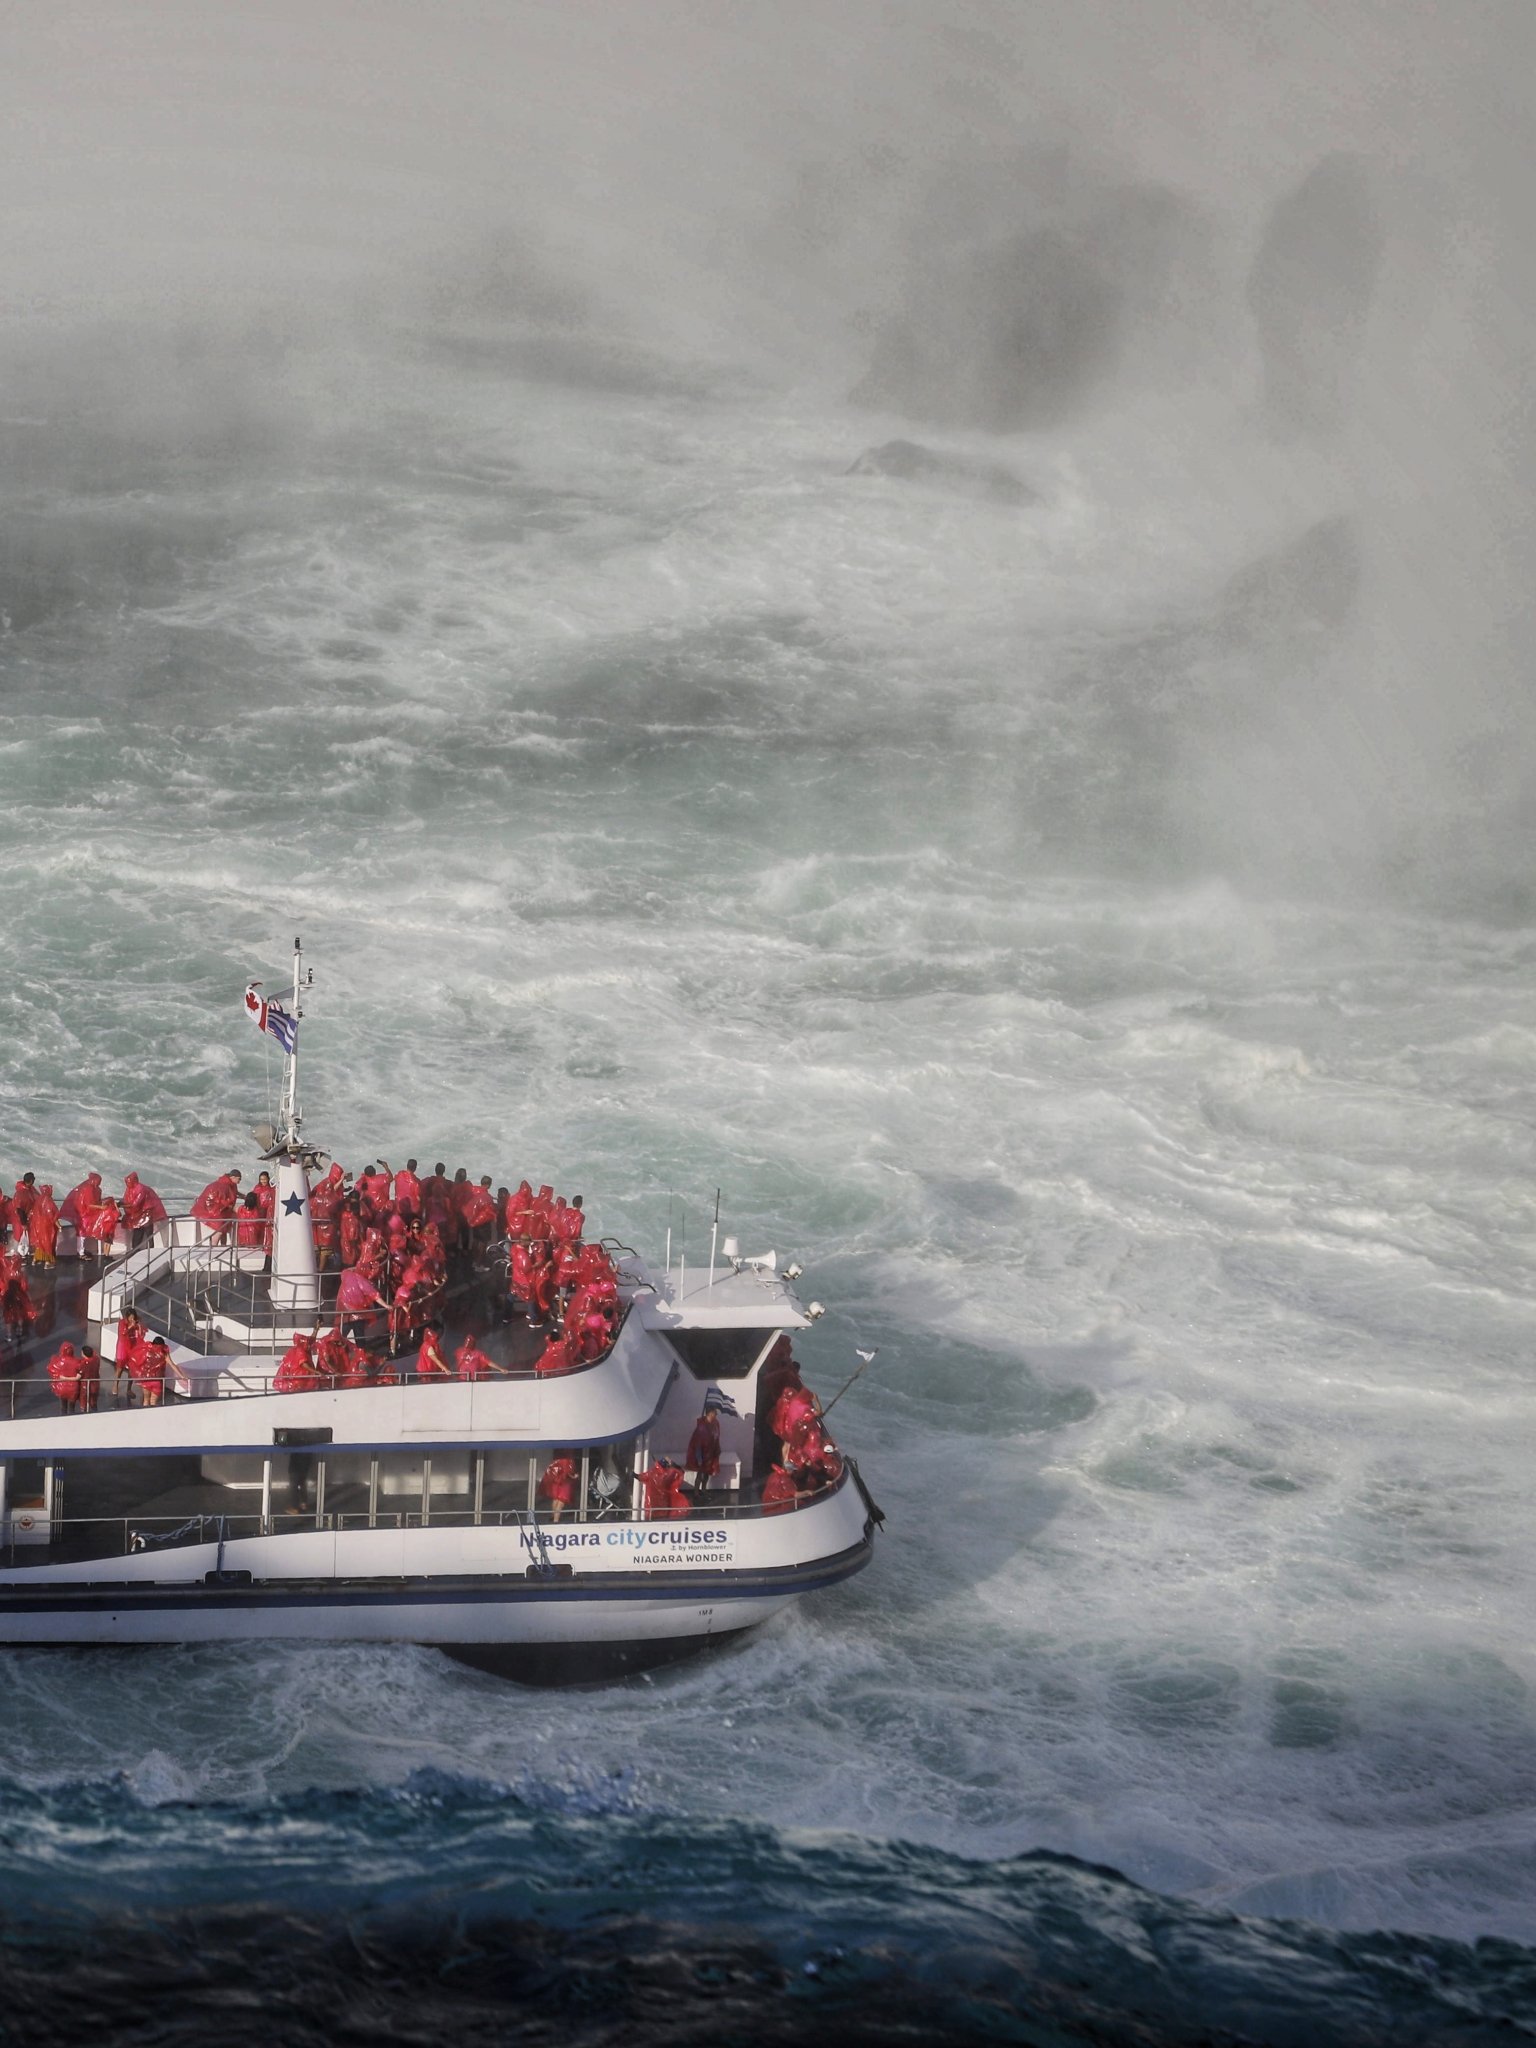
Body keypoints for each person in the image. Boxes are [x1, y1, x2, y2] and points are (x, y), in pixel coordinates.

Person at [190, 1170, 240, 1244]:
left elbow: (233, 1193)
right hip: (215, 1209)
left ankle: (223, 1246)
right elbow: (222, 1200)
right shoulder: (223, 1186)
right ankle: (213, 1246)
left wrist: (242, 1196)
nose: (239, 1181)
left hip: (222, 1210)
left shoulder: (231, 1184)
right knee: (220, 1231)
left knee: (224, 1230)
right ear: (233, 1177)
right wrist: (232, 1207)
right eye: (239, 1179)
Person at [684, 1403, 722, 1493]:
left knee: (707, 1474)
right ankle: (696, 1493)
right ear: (710, 1413)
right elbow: (698, 1444)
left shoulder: (715, 1424)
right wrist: (699, 1459)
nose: (716, 1414)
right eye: (714, 1412)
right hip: (702, 1454)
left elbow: (716, 1437)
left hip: (710, 1453)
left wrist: (717, 1449)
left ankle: (704, 1490)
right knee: (700, 1474)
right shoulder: (702, 1427)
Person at [121, 1171, 168, 1244]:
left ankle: (150, 1249)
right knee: (137, 1234)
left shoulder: (141, 1189)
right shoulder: (129, 1189)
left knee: (148, 1233)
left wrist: (122, 1205)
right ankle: (136, 1249)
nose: (127, 1184)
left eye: (128, 1182)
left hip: (147, 1213)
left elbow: (135, 1204)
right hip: (138, 1215)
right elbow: (126, 1199)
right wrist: (120, 1203)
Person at [536, 1451, 580, 1522]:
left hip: (556, 1481)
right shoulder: (567, 1459)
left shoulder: (557, 1458)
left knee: (556, 1499)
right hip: (565, 1482)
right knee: (561, 1502)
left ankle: (553, 1516)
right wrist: (574, 1476)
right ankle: (556, 1520)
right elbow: (567, 1471)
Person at [24, 1184, 59, 1267]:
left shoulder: (38, 1199)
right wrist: (59, 1225)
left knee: (39, 1243)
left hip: (37, 1225)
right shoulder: (49, 1200)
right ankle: (48, 1262)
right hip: (47, 1226)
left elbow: (32, 1213)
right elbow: (52, 1214)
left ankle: (35, 1260)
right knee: (47, 1243)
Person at [47, 1340, 84, 1414]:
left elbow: (50, 1368)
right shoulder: (77, 1361)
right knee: (72, 1408)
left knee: (63, 1406)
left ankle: (63, 1418)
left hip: (62, 1387)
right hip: (73, 1388)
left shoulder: (57, 1361)